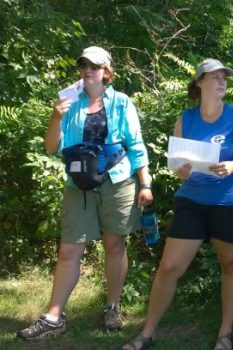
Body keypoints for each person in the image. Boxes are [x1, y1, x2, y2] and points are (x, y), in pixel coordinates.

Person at [122, 58, 233, 350]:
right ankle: (147, 334)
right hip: (192, 201)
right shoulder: (186, 119)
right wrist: (181, 169)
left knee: (231, 263)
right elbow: (178, 162)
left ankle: (225, 333)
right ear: (199, 82)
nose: (222, 81)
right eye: (215, 77)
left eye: (225, 77)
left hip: (229, 202)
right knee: (170, 267)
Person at [16, 46, 154, 340]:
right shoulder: (69, 104)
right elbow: (52, 147)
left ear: (106, 72)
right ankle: (54, 318)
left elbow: (136, 146)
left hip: (117, 181)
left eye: (94, 66)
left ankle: (113, 307)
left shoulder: (121, 102)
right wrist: (55, 117)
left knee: (114, 245)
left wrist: (145, 185)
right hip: (77, 185)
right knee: (69, 249)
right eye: (83, 66)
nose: (87, 70)